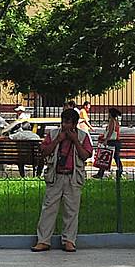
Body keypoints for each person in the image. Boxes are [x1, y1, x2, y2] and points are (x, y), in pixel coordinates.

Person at [33, 106, 94, 253]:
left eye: (68, 123)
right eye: (63, 122)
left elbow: (86, 155)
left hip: (73, 176)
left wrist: (75, 141)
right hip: (56, 176)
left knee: (72, 210)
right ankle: (43, 240)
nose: (65, 125)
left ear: (74, 124)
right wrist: (57, 141)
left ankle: (69, 240)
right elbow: (44, 151)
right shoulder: (54, 134)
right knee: (48, 208)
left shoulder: (82, 136)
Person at [92, 110, 123, 178]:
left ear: (111, 114)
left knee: (105, 157)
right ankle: (120, 171)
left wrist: (106, 140)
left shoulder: (112, 121)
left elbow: (110, 131)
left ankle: (100, 173)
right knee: (116, 157)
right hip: (116, 142)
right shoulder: (116, 121)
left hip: (111, 141)